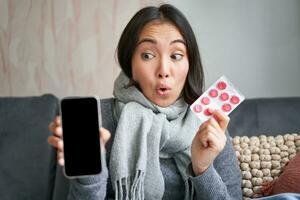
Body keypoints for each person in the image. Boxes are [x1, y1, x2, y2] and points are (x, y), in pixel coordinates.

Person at [48, 4, 243, 200]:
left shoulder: (208, 124)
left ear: (189, 64)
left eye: (176, 56)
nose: (164, 70)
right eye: (148, 55)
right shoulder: (98, 121)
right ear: (130, 64)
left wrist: (202, 169)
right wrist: (91, 173)